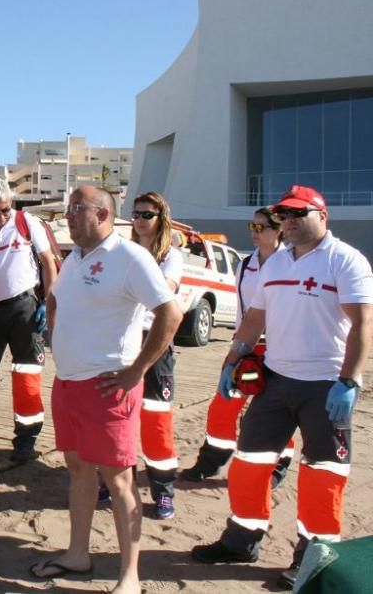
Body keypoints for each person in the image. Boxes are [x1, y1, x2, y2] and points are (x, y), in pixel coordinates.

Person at [192, 185, 373, 590]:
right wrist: (232, 360)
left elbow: (363, 324)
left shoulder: (345, 260)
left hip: (326, 385)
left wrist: (347, 381)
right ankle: (241, 540)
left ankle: (314, 561)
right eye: (283, 215)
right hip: (275, 381)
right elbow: (255, 319)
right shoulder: (275, 264)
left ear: (322, 216)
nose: (288, 222)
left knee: (322, 476)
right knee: (249, 464)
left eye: (297, 214)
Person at [31, 186, 181, 594]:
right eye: (68, 209)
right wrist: (55, 334)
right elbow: (56, 299)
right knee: (78, 470)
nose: (68, 215)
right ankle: (78, 554)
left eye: (76, 208)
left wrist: (137, 370)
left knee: (119, 481)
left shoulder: (130, 257)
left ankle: (129, 576)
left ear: (103, 215)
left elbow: (171, 313)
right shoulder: (75, 258)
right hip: (69, 384)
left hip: (108, 386)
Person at [181, 207, 293, 485]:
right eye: (251, 227)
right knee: (223, 406)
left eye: (260, 228)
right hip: (247, 347)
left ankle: (277, 465)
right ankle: (211, 461)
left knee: (276, 410)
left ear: (278, 230)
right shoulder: (246, 264)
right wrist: (237, 350)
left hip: (280, 349)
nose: (254, 233)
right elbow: (245, 312)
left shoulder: (292, 263)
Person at [0, 176, 58, 462]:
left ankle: (26, 439)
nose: (1, 216)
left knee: (27, 376)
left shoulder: (26, 222)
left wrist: (48, 302)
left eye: (6, 209)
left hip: (25, 308)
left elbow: (47, 262)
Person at [125, 192, 183, 520]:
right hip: (125, 339)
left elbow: (164, 292)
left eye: (147, 214)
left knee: (156, 419)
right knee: (121, 415)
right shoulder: (127, 253)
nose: (140, 220)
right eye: (135, 214)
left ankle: (163, 490)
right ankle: (116, 479)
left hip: (156, 338)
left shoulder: (170, 256)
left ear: (161, 218)